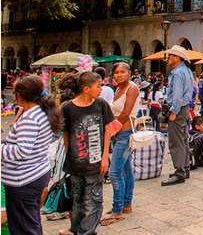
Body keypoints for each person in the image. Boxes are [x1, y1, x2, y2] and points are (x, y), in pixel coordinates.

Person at [60, 71, 120, 235]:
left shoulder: (101, 104)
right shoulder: (67, 108)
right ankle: (77, 229)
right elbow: (65, 135)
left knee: (94, 200)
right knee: (78, 199)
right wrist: (69, 155)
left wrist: (104, 157)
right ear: (86, 88)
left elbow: (108, 130)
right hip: (75, 163)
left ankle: (87, 232)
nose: (101, 89)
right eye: (98, 85)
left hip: (96, 162)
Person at [1, 75, 62, 235]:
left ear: (19, 96)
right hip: (35, 173)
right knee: (30, 222)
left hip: (24, 179)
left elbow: (21, 151)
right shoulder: (41, 112)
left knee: (23, 226)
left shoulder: (31, 118)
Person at [101, 63, 140, 227]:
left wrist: (112, 130)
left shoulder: (132, 88)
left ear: (129, 73)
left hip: (124, 133)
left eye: (122, 72)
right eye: (116, 72)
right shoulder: (117, 89)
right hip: (118, 133)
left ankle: (117, 209)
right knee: (126, 170)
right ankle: (126, 204)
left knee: (115, 171)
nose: (119, 75)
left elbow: (125, 112)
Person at [161, 46, 195, 186]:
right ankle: (185, 168)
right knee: (183, 139)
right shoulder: (186, 71)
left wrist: (174, 111)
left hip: (178, 109)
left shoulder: (177, 73)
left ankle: (179, 171)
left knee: (175, 141)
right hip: (185, 109)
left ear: (177, 57)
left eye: (170, 56)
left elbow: (177, 96)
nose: (168, 59)